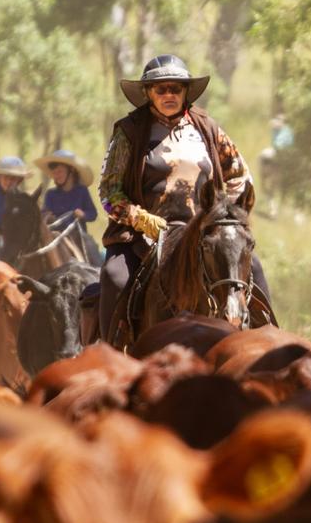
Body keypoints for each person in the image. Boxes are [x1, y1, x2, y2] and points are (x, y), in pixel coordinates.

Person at [97, 53, 269, 339]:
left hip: (203, 232)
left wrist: (228, 218)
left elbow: (240, 176)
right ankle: (110, 351)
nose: (169, 94)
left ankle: (267, 344)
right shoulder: (129, 132)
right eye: (160, 89)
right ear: (148, 93)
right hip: (143, 236)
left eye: (175, 88)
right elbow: (108, 191)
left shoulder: (207, 127)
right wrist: (139, 218)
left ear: (185, 91)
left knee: (254, 268)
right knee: (115, 277)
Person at [33, 149, 99, 231]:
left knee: (91, 244)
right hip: (55, 234)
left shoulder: (82, 191)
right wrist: (47, 217)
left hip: (79, 234)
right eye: (54, 173)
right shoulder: (50, 194)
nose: (57, 176)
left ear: (71, 171)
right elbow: (44, 214)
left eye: (60, 171)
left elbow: (93, 214)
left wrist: (83, 215)